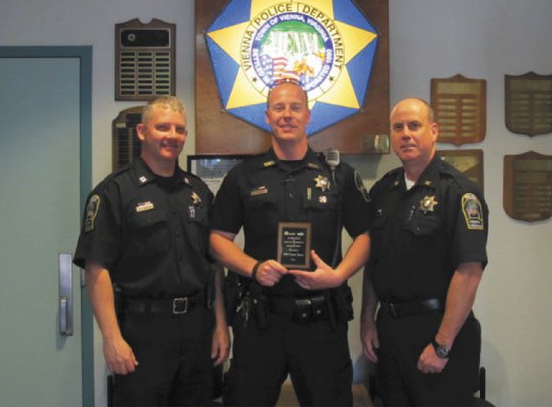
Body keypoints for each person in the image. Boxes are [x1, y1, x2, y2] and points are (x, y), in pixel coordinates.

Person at [209, 80, 371, 406]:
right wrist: (253, 268)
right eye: (279, 108)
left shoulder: (339, 176)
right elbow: (216, 241)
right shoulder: (244, 176)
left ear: (308, 115)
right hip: (259, 321)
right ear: (267, 116)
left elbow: (366, 236)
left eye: (295, 107)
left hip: (321, 323)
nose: (287, 115)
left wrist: (339, 275)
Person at [73, 96, 229, 406]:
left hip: (198, 328)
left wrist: (220, 326)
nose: (172, 135)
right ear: (142, 132)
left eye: (179, 129)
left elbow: (213, 266)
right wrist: (111, 338)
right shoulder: (115, 191)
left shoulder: (197, 191)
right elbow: (97, 269)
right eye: (163, 127)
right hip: (142, 333)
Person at [360, 98, 488, 406]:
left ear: (433, 131)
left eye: (414, 126)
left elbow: (469, 272)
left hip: (438, 328)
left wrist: (442, 344)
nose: (406, 134)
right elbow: (374, 262)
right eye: (398, 127)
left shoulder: (457, 192)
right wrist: (368, 319)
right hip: (391, 331)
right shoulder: (383, 191)